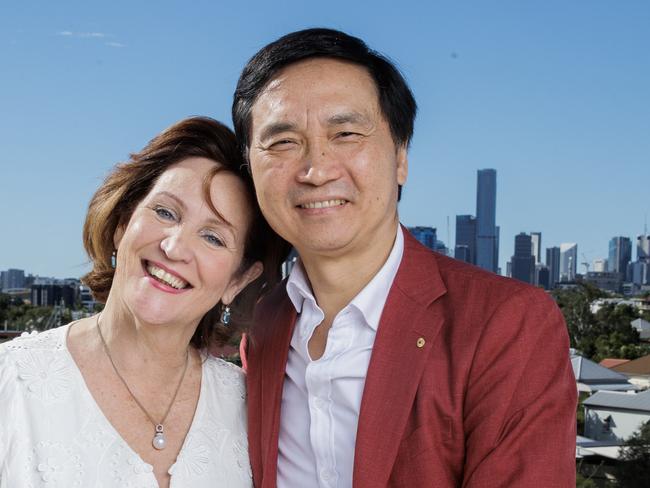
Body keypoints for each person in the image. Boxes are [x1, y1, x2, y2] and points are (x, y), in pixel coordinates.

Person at [233, 28, 577, 487]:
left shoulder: (508, 323)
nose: (316, 170)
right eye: (282, 142)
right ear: (250, 167)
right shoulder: (262, 325)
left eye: (346, 133)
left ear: (400, 157)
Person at [0, 117, 287, 488]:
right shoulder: (10, 385)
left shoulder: (253, 408)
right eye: (165, 212)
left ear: (238, 281)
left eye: (213, 237)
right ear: (122, 223)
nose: (175, 247)